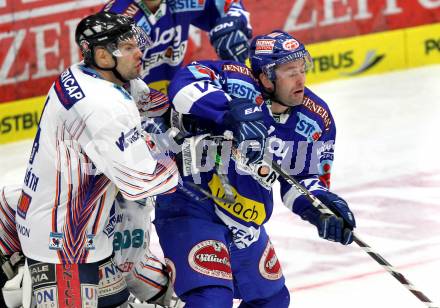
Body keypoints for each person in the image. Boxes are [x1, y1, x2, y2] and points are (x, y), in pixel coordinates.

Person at [151, 30, 356, 307]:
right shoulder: (235, 80)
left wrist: (322, 208)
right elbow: (184, 82)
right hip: (191, 203)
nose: (301, 79)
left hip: (244, 219)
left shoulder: (315, 119)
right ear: (264, 77)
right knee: (211, 300)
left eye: (301, 68)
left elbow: (303, 179)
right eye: (288, 71)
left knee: (272, 301)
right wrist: (229, 112)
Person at [14, 11, 178, 308]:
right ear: (103, 56)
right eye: (128, 48)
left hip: (66, 221)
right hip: (65, 243)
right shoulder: (102, 106)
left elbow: (143, 100)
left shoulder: (82, 72)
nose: (139, 53)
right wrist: (181, 154)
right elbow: (141, 183)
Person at [102, 0, 252, 93]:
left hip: (174, 94)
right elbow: (107, 82)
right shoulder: (118, 18)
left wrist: (234, 21)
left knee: (233, 40)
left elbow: (229, 4)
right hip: (137, 108)